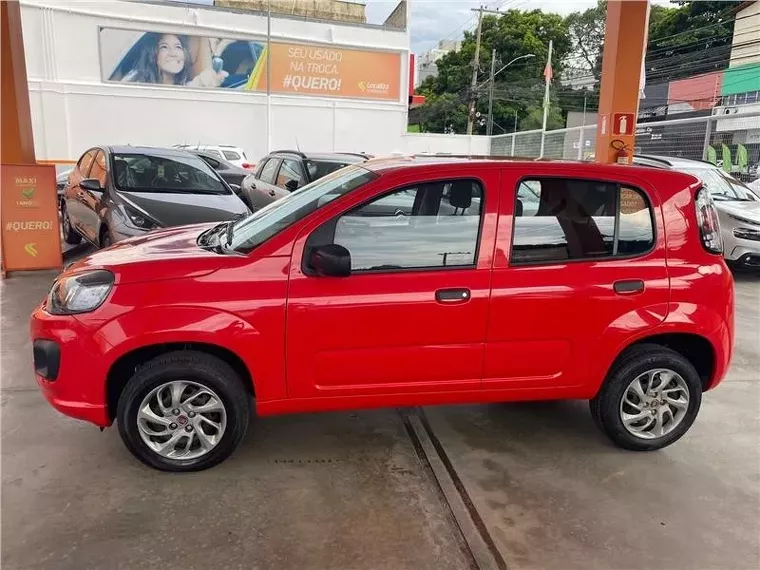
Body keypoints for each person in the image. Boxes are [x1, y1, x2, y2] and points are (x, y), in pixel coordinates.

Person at [123, 33, 227, 88]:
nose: (173, 53)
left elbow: (197, 84)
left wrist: (211, 78)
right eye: (164, 47)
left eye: (178, 47)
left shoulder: (185, 87)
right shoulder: (136, 83)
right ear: (153, 54)